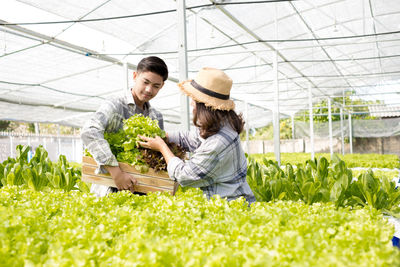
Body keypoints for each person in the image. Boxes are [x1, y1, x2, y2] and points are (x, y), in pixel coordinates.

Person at [139, 67, 256, 204]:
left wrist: (162, 147)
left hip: (232, 207)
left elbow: (184, 175)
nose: (191, 103)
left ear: (205, 106)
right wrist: (164, 135)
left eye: (194, 99)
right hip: (225, 204)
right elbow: (192, 138)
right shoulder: (220, 124)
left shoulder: (218, 141)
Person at [81, 56, 168, 197]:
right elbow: (89, 131)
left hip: (143, 192)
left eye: (156, 86)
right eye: (145, 82)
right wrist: (116, 173)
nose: (148, 89)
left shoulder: (156, 117)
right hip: (108, 189)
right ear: (135, 76)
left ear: (162, 86)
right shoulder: (116, 104)